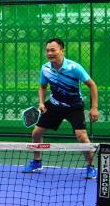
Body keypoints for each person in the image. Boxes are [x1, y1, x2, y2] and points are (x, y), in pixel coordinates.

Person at [22, 37, 100, 179]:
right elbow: (42, 86)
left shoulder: (74, 68)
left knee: (82, 136)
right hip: (54, 105)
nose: (49, 53)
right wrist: (41, 103)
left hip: (74, 106)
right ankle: (37, 162)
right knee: (36, 133)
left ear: (62, 50)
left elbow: (92, 85)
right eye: (47, 51)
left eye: (53, 50)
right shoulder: (45, 68)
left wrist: (94, 107)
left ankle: (90, 166)